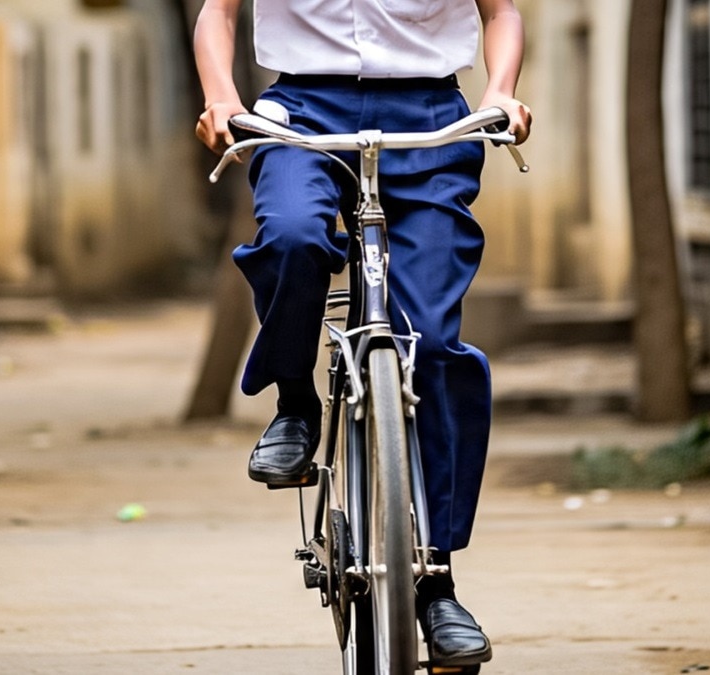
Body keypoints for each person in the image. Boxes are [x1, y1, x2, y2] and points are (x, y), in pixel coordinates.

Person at [193, 0, 532, 666]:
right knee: (292, 236)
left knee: (431, 345)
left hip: (433, 117)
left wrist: (500, 90)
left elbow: (502, 12)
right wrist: (221, 97)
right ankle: (295, 405)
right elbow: (218, 12)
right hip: (303, 112)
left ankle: (435, 581)